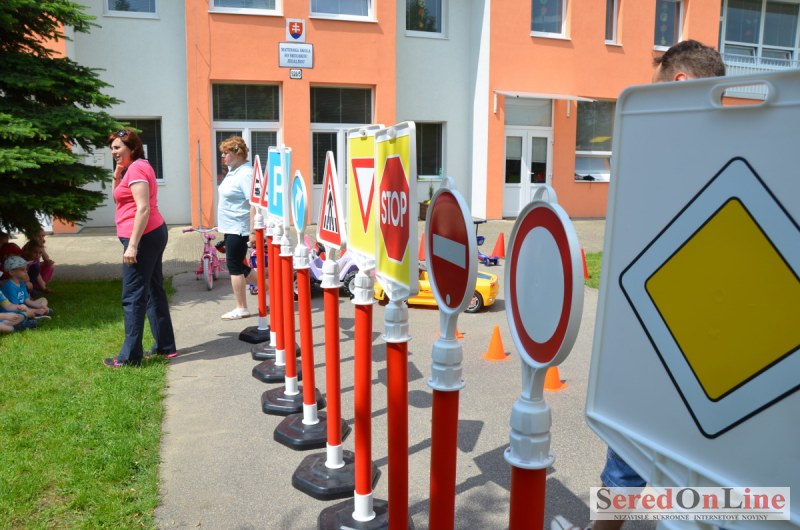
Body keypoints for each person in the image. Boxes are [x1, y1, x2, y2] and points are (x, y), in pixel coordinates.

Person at [553, 41, 725, 530]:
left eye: (655, 88)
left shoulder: (664, 154)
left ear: (679, 83)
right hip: (723, 356)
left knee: (628, 461)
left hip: (662, 346)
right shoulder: (747, 145)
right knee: (715, 487)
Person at [104, 128, 177, 368]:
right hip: (152, 233)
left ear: (132, 148)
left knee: (133, 295)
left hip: (143, 237)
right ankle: (165, 346)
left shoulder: (136, 169)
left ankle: (129, 357)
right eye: (112, 148)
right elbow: (118, 198)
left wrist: (133, 246)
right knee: (154, 290)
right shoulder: (135, 167)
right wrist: (117, 173)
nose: (113, 151)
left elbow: (142, 208)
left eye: (117, 147)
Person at [216, 136, 260, 320]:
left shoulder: (246, 174)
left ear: (238, 153)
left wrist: (253, 232)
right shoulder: (233, 171)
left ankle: (241, 308)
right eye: (222, 153)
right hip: (230, 227)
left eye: (226, 153)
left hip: (239, 228)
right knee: (239, 266)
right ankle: (271, 288)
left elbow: (254, 204)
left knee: (234, 267)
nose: (222, 156)